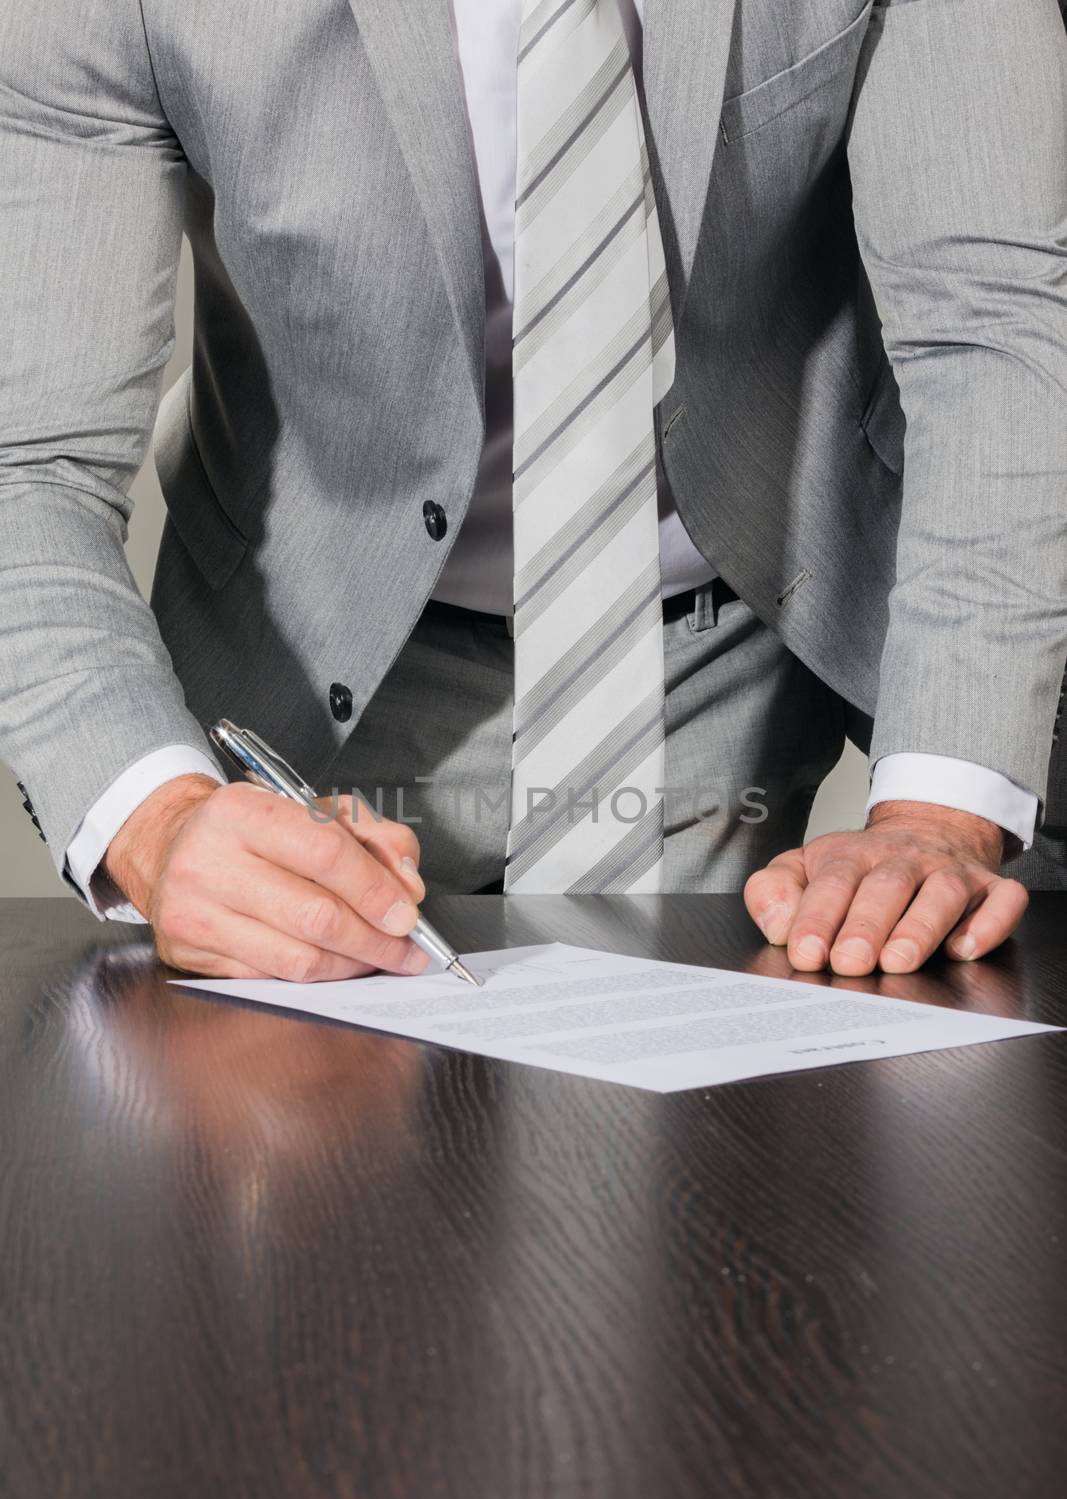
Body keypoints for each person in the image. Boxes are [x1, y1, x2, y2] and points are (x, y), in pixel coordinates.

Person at [1, 0, 1064, 984]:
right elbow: (26, 461)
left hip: (725, 608)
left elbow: (996, 328)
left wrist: (937, 814)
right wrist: (158, 816)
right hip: (305, 624)